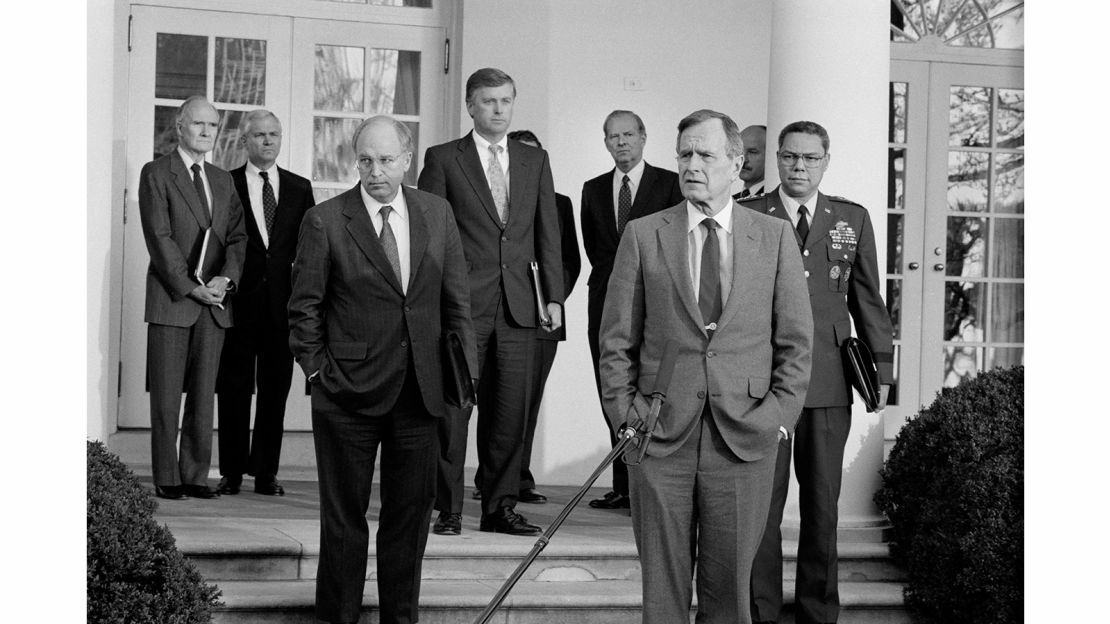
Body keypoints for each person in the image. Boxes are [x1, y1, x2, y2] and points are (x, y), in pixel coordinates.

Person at [600, 109, 812, 624]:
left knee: (729, 597)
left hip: (744, 440)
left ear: (736, 163)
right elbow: (615, 342)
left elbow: (796, 344)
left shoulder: (775, 237)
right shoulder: (644, 234)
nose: (692, 165)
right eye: (685, 154)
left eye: (706, 154)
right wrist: (626, 418)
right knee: (663, 594)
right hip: (658, 439)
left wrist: (775, 419)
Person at [288, 115, 476, 624]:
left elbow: (457, 302)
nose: (375, 171)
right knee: (344, 522)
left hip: (420, 393)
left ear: (407, 159)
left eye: (387, 160)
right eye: (366, 160)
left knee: (408, 521)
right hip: (345, 394)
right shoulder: (326, 220)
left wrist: (465, 378)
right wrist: (316, 373)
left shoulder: (436, 214)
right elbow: (303, 309)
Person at [741, 120, 895, 624]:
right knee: (762, 507)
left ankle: (817, 612)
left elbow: (867, 297)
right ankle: (760, 610)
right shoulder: (749, 214)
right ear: (777, 160)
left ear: (825, 162)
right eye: (789, 157)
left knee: (823, 506)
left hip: (829, 381)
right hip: (763, 382)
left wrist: (883, 367)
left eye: (810, 158)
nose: (799, 166)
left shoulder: (851, 218)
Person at [418, 67, 564, 537]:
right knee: (453, 413)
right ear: (471, 106)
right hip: (461, 308)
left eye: (506, 101)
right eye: (489, 102)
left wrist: (554, 298)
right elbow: (429, 237)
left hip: (522, 308)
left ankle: (500, 509)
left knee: (508, 415)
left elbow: (548, 233)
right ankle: (448, 509)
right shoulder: (442, 158)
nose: (499, 110)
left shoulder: (533, 160)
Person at [139, 95, 247, 501]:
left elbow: (238, 238)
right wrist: (189, 286)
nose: (206, 132)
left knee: (204, 396)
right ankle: (167, 476)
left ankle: (195, 475)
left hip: (214, 304)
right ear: (179, 127)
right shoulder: (157, 173)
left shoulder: (223, 180)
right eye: (198, 124)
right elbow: (159, 237)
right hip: (174, 299)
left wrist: (225, 280)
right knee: (167, 396)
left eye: (213, 125)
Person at [579, 110, 682, 511]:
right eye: (612, 136)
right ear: (605, 142)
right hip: (605, 300)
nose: (620, 142)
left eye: (627, 134)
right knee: (614, 387)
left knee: (653, 387)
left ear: (643, 137)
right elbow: (596, 251)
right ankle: (622, 484)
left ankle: (648, 484)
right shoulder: (592, 189)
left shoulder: (669, 184)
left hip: (656, 305)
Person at [216, 110, 315, 497]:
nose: (268, 141)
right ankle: (232, 472)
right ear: (245, 141)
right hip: (238, 305)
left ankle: (266, 473)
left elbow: (308, 249)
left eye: (274, 134)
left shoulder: (299, 187)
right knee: (235, 389)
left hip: (282, 307)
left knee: (275, 392)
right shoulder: (226, 184)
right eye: (259, 135)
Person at [507, 129, 581, 505]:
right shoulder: (496, 200)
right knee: (498, 405)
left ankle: (518, 478)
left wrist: (549, 301)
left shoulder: (561, 203)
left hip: (544, 321)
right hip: (501, 315)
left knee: (528, 403)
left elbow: (570, 261)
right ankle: (494, 480)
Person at [733, 124, 767, 200]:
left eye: (752, 152)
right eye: (739, 151)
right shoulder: (729, 203)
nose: (744, 160)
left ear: (769, 156)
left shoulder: (774, 203)